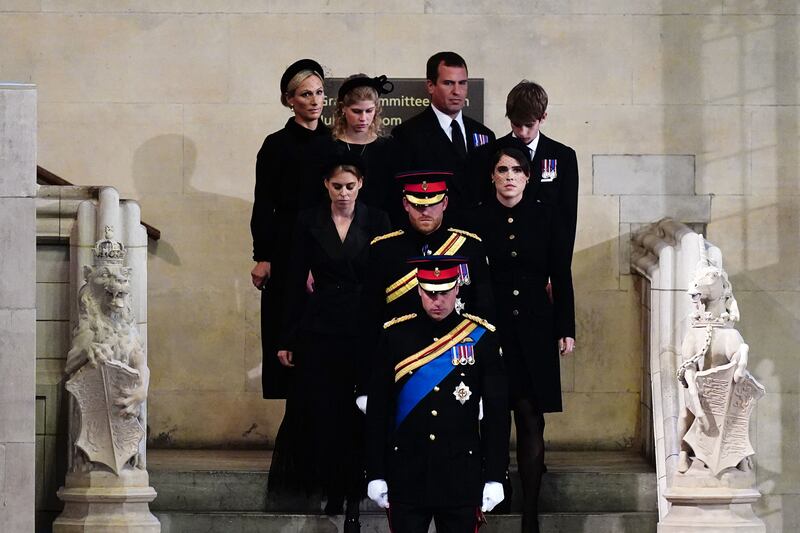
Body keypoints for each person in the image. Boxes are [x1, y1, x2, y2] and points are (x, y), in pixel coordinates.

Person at [267, 154, 390, 533]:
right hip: (320, 327)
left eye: (349, 186)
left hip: (365, 327)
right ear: (326, 185)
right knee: (325, 410)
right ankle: (330, 488)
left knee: (358, 413)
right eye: (337, 186)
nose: (343, 193)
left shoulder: (379, 220)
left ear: (361, 185)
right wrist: (286, 337)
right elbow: (293, 282)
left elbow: (388, 279)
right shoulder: (308, 221)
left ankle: (353, 500)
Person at [365, 256, 509, 533]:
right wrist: (375, 472)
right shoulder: (394, 335)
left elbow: (497, 414)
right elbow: (378, 411)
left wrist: (494, 475)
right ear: (418, 289)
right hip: (407, 473)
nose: (437, 301)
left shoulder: (481, 337)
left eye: (444, 292)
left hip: (460, 475)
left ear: (457, 289)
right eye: (430, 293)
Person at [475, 144, 576, 533]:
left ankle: (530, 512)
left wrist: (566, 327)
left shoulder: (546, 216)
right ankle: (497, 494)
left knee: (531, 418)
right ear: (493, 176)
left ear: (528, 176)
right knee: (493, 415)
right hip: (492, 326)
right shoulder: (477, 217)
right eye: (503, 170)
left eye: (517, 170)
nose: (510, 177)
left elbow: (560, 273)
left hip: (536, 325)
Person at [356, 170, 495, 399]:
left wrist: (483, 387)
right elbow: (369, 320)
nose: (425, 211)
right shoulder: (383, 249)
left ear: (445, 203)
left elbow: (484, 314)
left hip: (457, 365)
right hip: (401, 365)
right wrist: (365, 384)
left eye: (432, 204)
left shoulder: (469, 247)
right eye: (418, 204)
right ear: (405, 204)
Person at [250, 58, 336, 399]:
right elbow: (263, 203)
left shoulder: (335, 142)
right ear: (289, 100)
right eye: (305, 94)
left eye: (319, 93)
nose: (315, 101)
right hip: (287, 249)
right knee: (289, 331)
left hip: (331, 245)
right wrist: (263, 256)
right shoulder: (276, 145)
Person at [392, 51, 495, 221]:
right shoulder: (407, 134)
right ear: (431, 86)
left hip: (477, 234)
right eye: (448, 83)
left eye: (462, 83)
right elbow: (400, 196)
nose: (457, 91)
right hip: (434, 234)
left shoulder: (484, 134)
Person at [493, 80, 579, 254]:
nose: (523, 132)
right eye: (516, 124)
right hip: (502, 261)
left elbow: (566, 220)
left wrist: (557, 273)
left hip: (545, 257)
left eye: (529, 125)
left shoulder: (563, 156)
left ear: (543, 117)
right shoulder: (491, 153)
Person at [333, 74, 404, 224]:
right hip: (336, 228)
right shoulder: (328, 146)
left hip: (380, 229)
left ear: (376, 110)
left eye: (369, 111)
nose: (363, 118)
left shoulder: (390, 148)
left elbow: (396, 199)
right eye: (357, 111)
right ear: (343, 108)